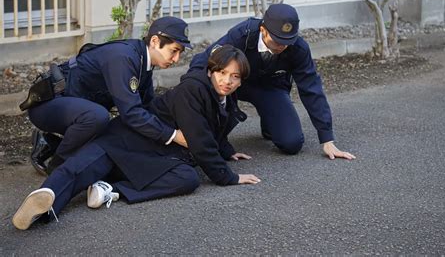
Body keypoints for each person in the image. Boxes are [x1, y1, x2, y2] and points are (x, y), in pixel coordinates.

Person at [12, 45, 260, 231]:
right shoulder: (193, 90)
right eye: (222, 73)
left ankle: (110, 190)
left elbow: (216, 129)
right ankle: (42, 206)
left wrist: (226, 150)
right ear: (210, 71)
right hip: (122, 141)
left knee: (187, 179)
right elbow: (201, 141)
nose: (228, 80)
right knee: (77, 171)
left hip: (153, 157)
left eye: (235, 76)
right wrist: (229, 177)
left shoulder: (225, 96)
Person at [22, 16, 193, 175]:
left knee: (112, 131)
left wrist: (184, 126)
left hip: (74, 109)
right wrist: (172, 135)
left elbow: (148, 106)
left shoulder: (143, 62)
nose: (177, 59)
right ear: (155, 41)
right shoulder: (124, 57)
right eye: (174, 51)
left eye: (180, 53)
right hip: (46, 106)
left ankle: (49, 144)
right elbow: (132, 113)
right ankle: (58, 166)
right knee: (98, 118)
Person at [189, 4, 355, 160]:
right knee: (212, 94)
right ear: (263, 30)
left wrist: (326, 138)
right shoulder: (242, 35)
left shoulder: (298, 48)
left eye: (287, 41)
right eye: (278, 40)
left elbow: (311, 88)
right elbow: (205, 61)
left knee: (292, 143)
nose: (283, 45)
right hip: (236, 86)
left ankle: (270, 124)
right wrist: (188, 95)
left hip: (271, 88)